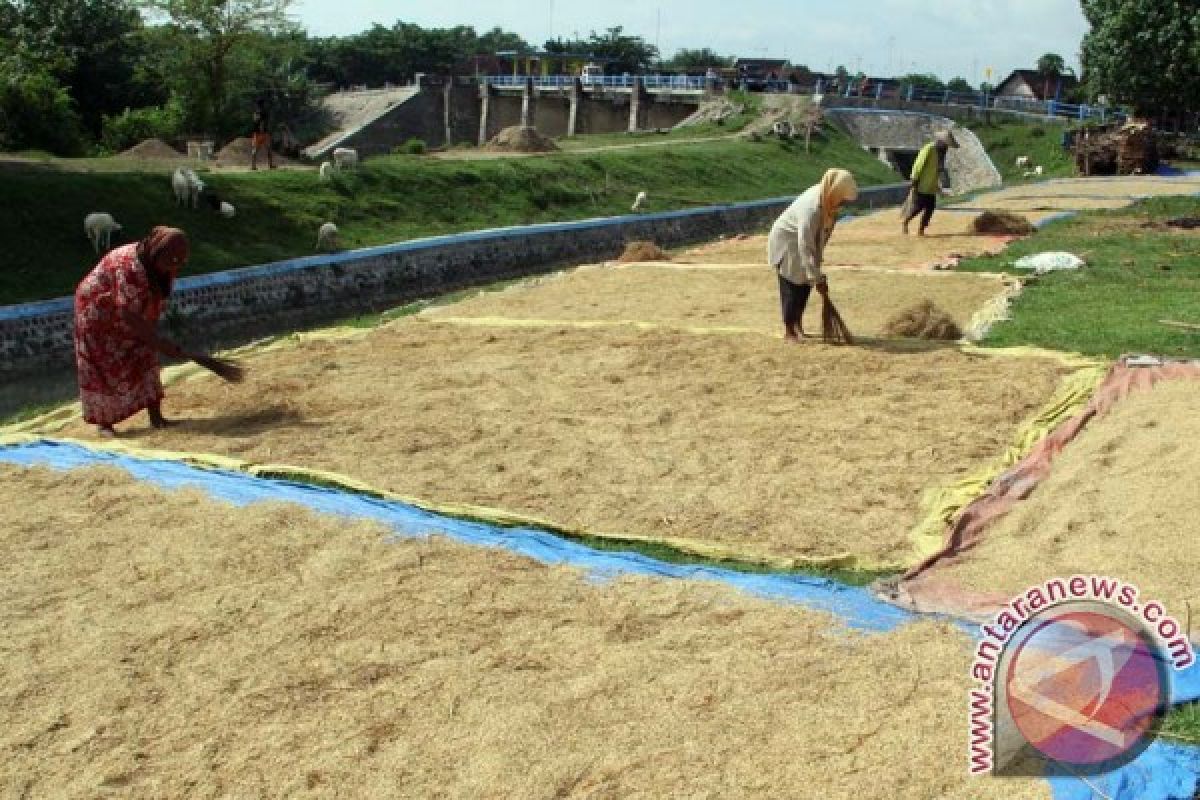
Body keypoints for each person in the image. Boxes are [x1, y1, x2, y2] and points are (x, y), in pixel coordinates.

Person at [73, 227, 217, 436]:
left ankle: (157, 418)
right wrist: (157, 341)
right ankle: (105, 423)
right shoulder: (130, 269)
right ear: (157, 253)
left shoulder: (162, 264)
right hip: (98, 314)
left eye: (179, 262)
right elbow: (130, 315)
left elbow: (149, 302)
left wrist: (155, 338)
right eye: (171, 262)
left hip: (130, 312)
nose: (174, 267)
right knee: (102, 364)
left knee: (146, 354)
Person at [767, 168, 859, 342]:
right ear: (835, 192)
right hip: (788, 241)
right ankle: (789, 330)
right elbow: (804, 243)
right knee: (792, 285)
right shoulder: (811, 208)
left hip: (803, 242)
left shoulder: (828, 199)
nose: (843, 205)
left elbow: (821, 235)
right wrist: (816, 275)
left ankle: (798, 325)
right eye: (843, 200)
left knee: (805, 284)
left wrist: (815, 271)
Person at [902, 130, 957, 236]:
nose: (946, 147)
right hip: (921, 185)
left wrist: (938, 187)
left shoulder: (940, 154)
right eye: (945, 144)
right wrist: (914, 179)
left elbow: (936, 171)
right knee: (918, 207)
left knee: (930, 208)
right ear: (940, 142)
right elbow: (918, 165)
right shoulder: (929, 149)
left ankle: (921, 230)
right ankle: (906, 222)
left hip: (931, 187)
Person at [250, 105, 275, 170]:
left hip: (256, 133)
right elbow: (262, 122)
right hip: (263, 133)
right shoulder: (263, 112)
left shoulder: (255, 112)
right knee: (269, 149)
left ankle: (253, 166)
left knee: (255, 150)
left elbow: (255, 121)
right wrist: (262, 130)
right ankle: (270, 165)